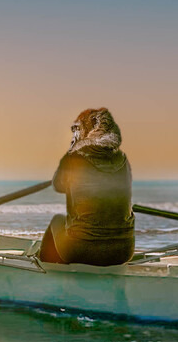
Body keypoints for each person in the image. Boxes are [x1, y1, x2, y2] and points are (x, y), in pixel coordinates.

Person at [39, 108, 135, 266]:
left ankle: (45, 268)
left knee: (57, 220)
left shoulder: (74, 158)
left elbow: (58, 185)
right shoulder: (123, 159)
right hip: (124, 251)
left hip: (81, 250)